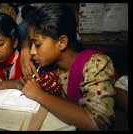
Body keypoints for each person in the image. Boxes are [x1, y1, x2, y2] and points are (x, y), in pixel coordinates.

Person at [18, 3, 117, 131]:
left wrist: (39, 95)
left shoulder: (96, 64)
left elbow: (98, 123)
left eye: (37, 44)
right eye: (31, 44)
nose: (32, 51)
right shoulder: (49, 66)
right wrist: (25, 46)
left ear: (62, 42)